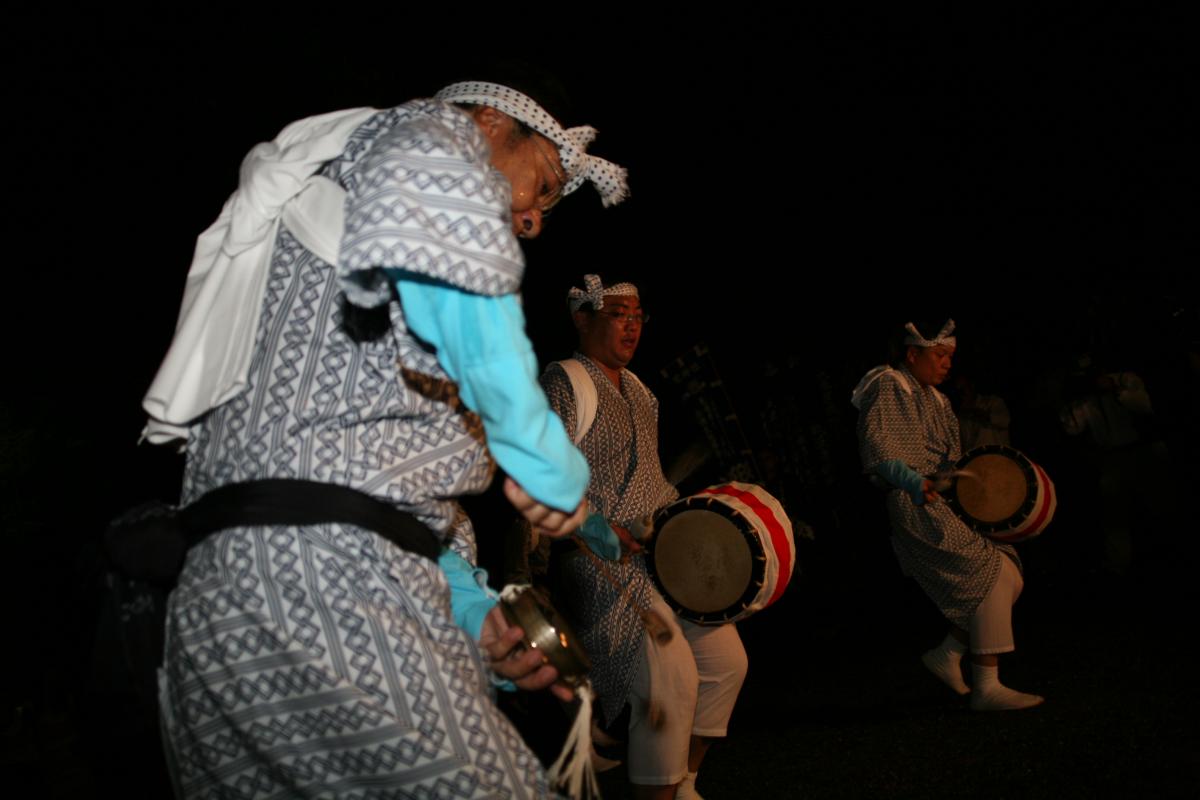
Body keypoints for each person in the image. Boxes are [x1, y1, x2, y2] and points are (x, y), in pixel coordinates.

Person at [141, 75, 627, 798]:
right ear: (493, 123)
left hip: (224, 611)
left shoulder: (361, 252)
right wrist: (550, 467)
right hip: (323, 584)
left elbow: (375, 484)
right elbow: (486, 352)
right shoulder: (427, 138)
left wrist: (475, 618)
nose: (533, 220)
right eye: (546, 185)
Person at [539, 275, 747, 800]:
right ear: (582, 318)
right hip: (597, 561)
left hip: (655, 558)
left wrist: (683, 520)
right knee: (670, 678)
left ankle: (683, 780)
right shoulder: (564, 381)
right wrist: (594, 525)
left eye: (638, 315)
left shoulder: (639, 391)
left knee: (726, 665)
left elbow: (653, 479)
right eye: (618, 314)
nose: (632, 325)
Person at [851, 320, 1043, 712]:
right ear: (912, 354)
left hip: (941, 502)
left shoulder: (938, 400)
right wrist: (911, 480)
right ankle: (987, 685)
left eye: (949, 357)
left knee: (1008, 571)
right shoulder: (890, 384)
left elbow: (950, 460)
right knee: (989, 573)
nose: (946, 364)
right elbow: (879, 445)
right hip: (915, 504)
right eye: (939, 355)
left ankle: (948, 652)